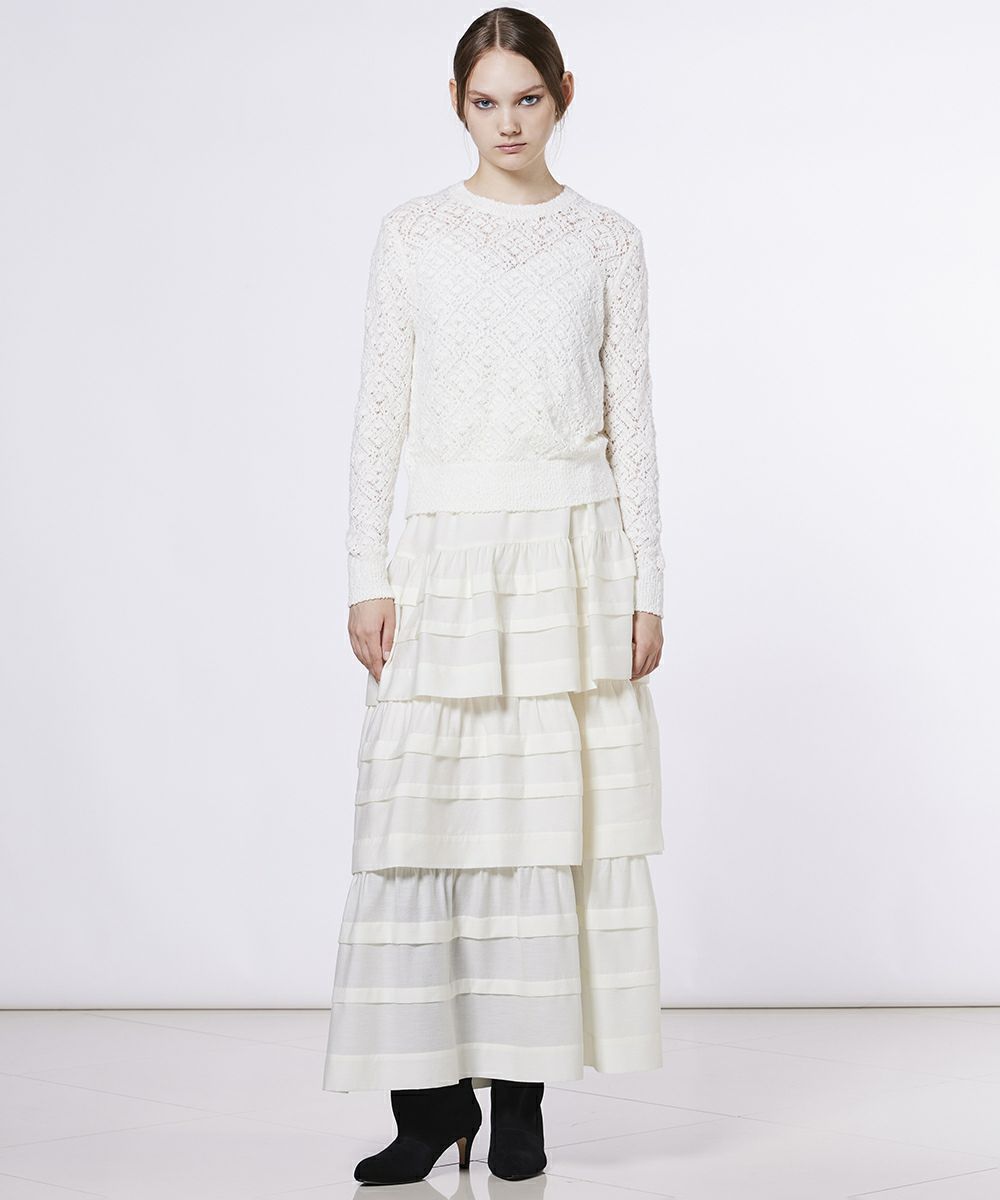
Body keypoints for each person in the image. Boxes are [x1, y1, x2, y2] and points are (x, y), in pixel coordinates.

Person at [322, 6, 666, 1185]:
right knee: (422, 825)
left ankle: (519, 1103)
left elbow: (633, 423)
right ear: (455, 103)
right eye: (485, 101)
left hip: (571, 556)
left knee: (542, 830)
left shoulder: (607, 240)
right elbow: (379, 412)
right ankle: (428, 1108)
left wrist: (647, 584)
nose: (507, 122)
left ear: (564, 92)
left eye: (527, 98)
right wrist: (366, 572)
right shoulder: (413, 233)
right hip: (445, 556)